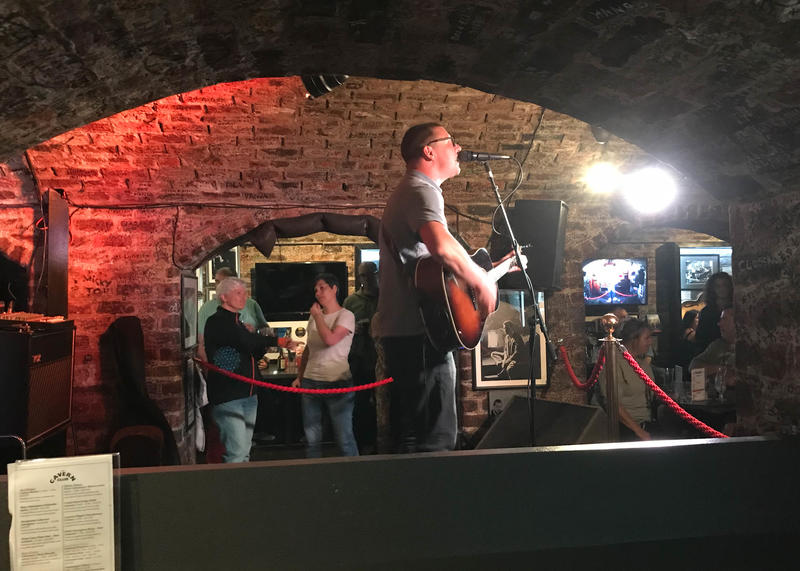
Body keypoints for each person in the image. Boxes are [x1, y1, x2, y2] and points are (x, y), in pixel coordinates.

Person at [377, 122, 498, 453]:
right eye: (451, 142)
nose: (458, 148)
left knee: (418, 436)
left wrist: (485, 272)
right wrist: (481, 284)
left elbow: (441, 265)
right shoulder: (421, 189)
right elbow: (443, 249)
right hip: (420, 335)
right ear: (429, 151)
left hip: (413, 333)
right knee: (436, 441)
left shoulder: (413, 191)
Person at [204, 278, 293, 463]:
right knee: (236, 452)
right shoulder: (218, 321)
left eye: (245, 293)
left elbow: (253, 351)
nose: (244, 297)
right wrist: (277, 341)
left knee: (244, 450)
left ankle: (243, 487)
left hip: (248, 393)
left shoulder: (238, 323)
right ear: (224, 297)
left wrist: (257, 339)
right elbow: (245, 342)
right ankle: (234, 490)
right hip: (229, 395)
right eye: (238, 293)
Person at [292, 273, 358, 457]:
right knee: (312, 440)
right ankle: (315, 478)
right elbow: (308, 349)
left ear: (334, 289)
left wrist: (318, 316)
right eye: (316, 290)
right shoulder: (314, 317)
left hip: (337, 383)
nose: (318, 293)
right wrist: (300, 376)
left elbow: (330, 339)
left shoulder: (346, 315)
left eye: (322, 288)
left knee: (343, 437)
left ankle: (357, 476)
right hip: (311, 382)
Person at [343, 262, 379, 453]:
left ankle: (381, 442)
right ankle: (363, 443)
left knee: (384, 402)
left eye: (369, 275)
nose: (366, 279)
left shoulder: (386, 297)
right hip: (358, 358)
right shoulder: (351, 302)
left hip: (381, 358)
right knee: (360, 403)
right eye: (362, 276)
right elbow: (341, 330)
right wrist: (353, 329)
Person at [197, 266, 269, 362]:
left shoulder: (251, 304)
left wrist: (255, 332)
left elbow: (265, 332)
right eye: (217, 281)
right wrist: (207, 369)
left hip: (250, 363)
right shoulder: (207, 308)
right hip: (224, 366)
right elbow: (201, 344)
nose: (218, 285)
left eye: (222, 282)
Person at [600, 319, 654, 441]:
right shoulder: (613, 363)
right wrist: (639, 432)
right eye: (647, 338)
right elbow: (612, 404)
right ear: (633, 339)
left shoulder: (642, 364)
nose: (650, 342)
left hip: (647, 422)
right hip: (626, 429)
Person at [690, 306, 736, 396]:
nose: (719, 324)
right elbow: (693, 366)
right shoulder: (717, 345)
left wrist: (710, 373)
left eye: (724, 319)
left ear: (736, 323)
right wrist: (721, 369)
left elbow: (733, 380)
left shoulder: (748, 349)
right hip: (717, 401)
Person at [694, 271, 733, 353]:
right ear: (713, 289)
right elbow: (700, 338)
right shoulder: (706, 312)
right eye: (718, 286)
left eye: (724, 285)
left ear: (730, 287)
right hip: (711, 352)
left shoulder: (737, 309)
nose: (722, 289)